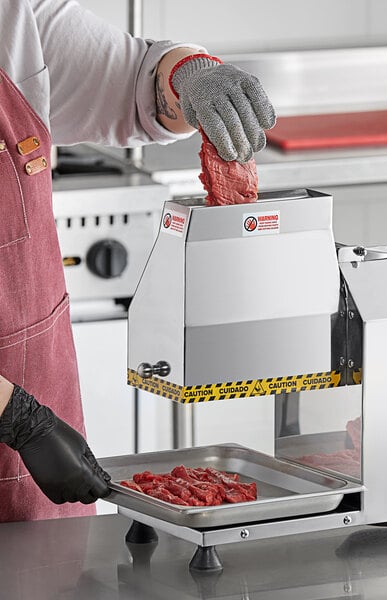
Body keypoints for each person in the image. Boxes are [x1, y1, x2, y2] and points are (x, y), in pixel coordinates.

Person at [0, 0, 276, 522]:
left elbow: (135, 85)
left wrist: (190, 76)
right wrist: (19, 419)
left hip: (37, 429)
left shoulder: (13, 15)